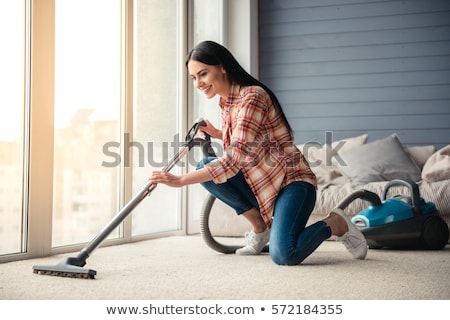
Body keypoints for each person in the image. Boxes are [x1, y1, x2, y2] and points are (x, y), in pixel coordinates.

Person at [150, 40, 367, 265]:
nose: (198, 83)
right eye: (193, 78)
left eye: (203, 74)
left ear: (222, 66)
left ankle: (336, 223)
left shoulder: (253, 96)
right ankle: (260, 228)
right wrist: (217, 132)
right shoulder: (226, 103)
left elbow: (233, 161)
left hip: (292, 183)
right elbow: (248, 139)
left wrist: (180, 180)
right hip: (261, 183)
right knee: (203, 164)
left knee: (285, 255)